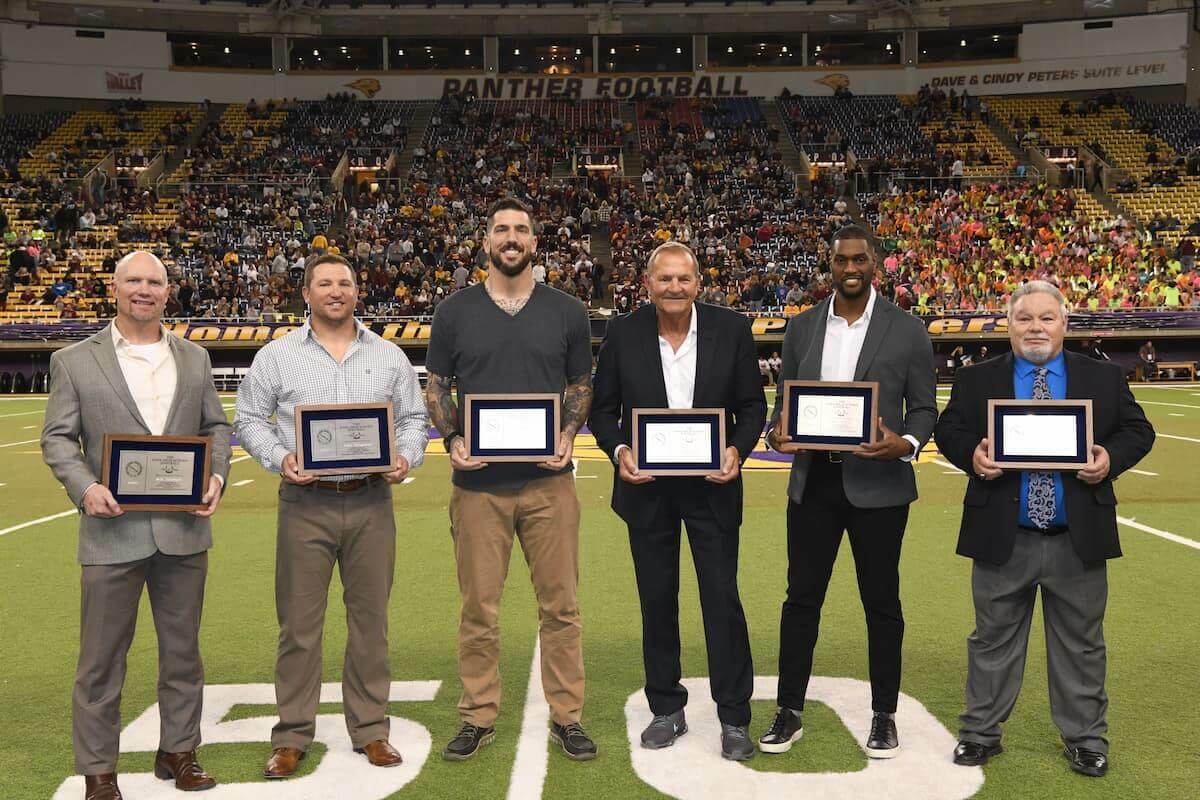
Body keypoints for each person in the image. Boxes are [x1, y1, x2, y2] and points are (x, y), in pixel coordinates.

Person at [934, 281, 1154, 777]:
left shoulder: (1101, 377)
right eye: (1024, 318)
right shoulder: (976, 380)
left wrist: (1109, 459)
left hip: (1075, 537)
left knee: (1080, 642)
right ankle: (980, 734)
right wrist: (971, 454)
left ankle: (1085, 739)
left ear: (1064, 324)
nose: (1035, 327)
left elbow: (1139, 430)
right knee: (991, 639)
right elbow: (948, 429)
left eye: (1046, 318)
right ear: (1008, 325)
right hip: (1003, 533)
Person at [41, 251, 232, 800]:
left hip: (182, 531)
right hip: (110, 531)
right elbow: (57, 438)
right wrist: (85, 487)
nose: (144, 290)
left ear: (168, 292)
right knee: (100, 661)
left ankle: (179, 751)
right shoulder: (74, 359)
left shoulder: (194, 357)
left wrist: (216, 477)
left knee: (183, 651)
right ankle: (99, 771)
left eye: (154, 282)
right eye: (134, 281)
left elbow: (216, 427)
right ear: (115, 288)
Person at [234, 253, 428, 779]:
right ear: (307, 293)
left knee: (371, 623)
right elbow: (249, 418)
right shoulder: (277, 356)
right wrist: (281, 458)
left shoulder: (388, 355)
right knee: (299, 626)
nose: (336, 291)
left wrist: (406, 456)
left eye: (345, 282)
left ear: (357, 291)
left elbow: (414, 418)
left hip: (370, 501)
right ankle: (292, 734)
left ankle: (370, 730)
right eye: (325, 283)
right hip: (306, 502)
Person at [424, 197, 597, 762]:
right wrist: (452, 439)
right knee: (479, 608)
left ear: (534, 241)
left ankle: (567, 716)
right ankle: (477, 716)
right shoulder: (453, 312)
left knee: (561, 607)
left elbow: (579, 385)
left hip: (549, 483)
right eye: (501, 228)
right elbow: (438, 387)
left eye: (522, 228)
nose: (511, 237)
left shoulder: (568, 310)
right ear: (487, 241)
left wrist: (569, 432)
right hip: (478, 489)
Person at [761, 225, 937, 758]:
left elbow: (925, 408)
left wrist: (903, 443)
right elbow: (782, 405)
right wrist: (775, 435)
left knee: (881, 603)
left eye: (860, 259)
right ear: (830, 265)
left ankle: (884, 715)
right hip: (815, 481)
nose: (851, 268)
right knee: (801, 600)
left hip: (879, 484)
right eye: (841, 260)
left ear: (875, 264)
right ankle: (789, 709)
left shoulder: (907, 329)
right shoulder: (803, 327)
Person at [590, 242, 766, 760]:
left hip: (712, 488)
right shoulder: (624, 332)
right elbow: (603, 412)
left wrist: (737, 449)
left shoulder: (731, 329)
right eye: (664, 279)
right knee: (657, 601)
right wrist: (620, 449)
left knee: (722, 601)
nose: (674, 287)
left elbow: (753, 405)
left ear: (697, 284)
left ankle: (734, 716)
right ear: (647, 283)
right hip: (647, 491)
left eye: (683, 279)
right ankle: (666, 708)